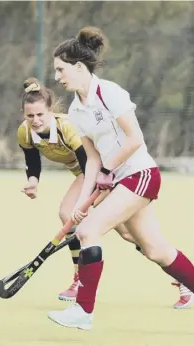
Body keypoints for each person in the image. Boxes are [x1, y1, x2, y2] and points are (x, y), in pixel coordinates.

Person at [47, 26, 194, 329]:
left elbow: (135, 139)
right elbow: (92, 160)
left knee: (89, 232)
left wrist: (106, 172)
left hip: (140, 174)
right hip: (120, 178)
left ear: (78, 67)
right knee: (155, 249)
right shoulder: (76, 110)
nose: (57, 76)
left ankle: (83, 312)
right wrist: (84, 199)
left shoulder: (110, 92)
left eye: (61, 69)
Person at [17, 77, 139, 302]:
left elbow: (89, 166)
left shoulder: (67, 128)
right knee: (127, 232)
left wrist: (87, 202)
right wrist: (33, 181)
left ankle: (79, 279)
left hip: (106, 171)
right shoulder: (25, 133)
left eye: (40, 114)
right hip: (88, 176)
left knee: (70, 213)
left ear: (50, 111)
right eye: (30, 115)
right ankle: (79, 279)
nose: (35, 120)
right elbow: (32, 162)